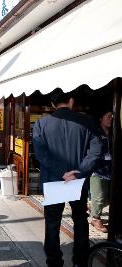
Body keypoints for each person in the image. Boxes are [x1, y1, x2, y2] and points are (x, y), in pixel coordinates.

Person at [32, 89, 102, 267]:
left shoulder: (42, 124)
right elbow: (95, 152)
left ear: (53, 104)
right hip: (78, 180)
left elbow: (41, 154)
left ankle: (54, 262)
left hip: (55, 180)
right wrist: (78, 172)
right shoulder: (87, 121)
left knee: (53, 223)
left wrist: (62, 172)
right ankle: (81, 260)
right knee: (80, 219)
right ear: (71, 101)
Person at [89, 110, 113, 233]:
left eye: (112, 117)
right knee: (99, 195)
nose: (111, 119)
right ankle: (95, 218)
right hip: (97, 169)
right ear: (100, 118)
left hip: (109, 168)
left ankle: (92, 206)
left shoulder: (113, 132)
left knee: (107, 197)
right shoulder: (95, 133)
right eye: (108, 116)